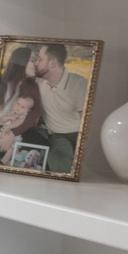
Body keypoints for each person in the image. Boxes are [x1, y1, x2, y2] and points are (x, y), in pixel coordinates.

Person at [26, 43, 87, 173]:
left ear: (52, 63)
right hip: (58, 135)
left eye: (40, 59)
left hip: (79, 133)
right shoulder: (40, 82)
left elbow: (86, 123)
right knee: (58, 158)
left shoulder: (78, 84)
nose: (36, 62)